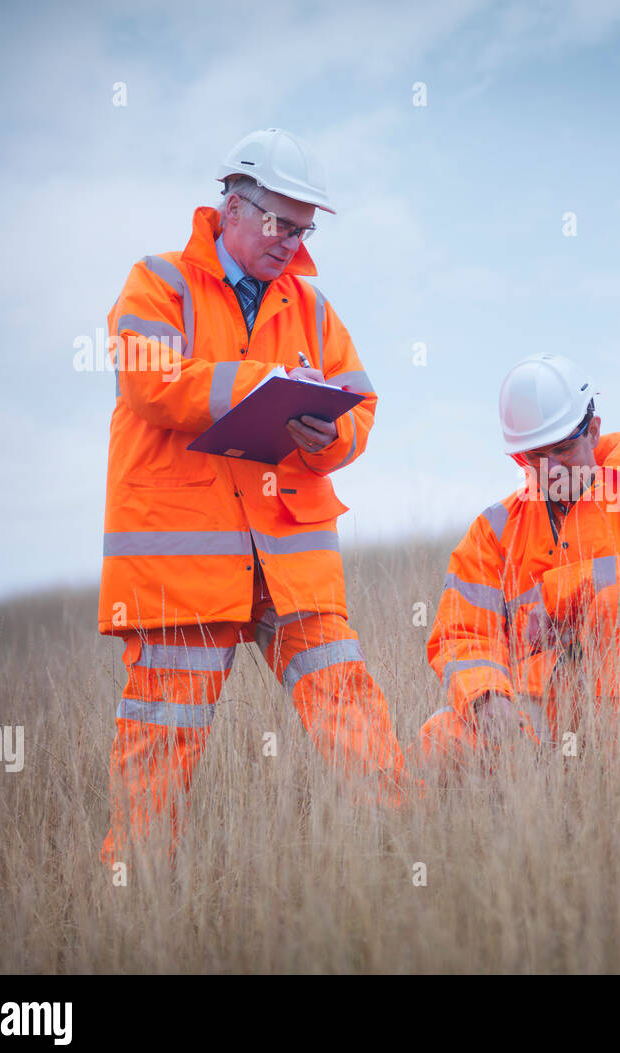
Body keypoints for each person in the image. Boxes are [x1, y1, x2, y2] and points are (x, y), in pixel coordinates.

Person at [98, 128, 407, 868]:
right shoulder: (158, 282)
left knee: (348, 702)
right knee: (162, 734)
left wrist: (318, 433)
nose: (290, 243)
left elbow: (359, 407)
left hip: (291, 558)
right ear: (232, 206)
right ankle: (136, 892)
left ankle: (404, 852)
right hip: (187, 560)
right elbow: (149, 380)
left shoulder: (312, 307)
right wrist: (255, 386)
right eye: (279, 225)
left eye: (302, 230)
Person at [420, 353, 620, 764]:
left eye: (562, 450)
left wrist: (561, 592)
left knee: (619, 608)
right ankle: (539, 812)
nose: (552, 469)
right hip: (547, 704)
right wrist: (487, 697)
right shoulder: (494, 530)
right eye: (535, 458)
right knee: (440, 739)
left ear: (593, 431)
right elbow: (464, 633)